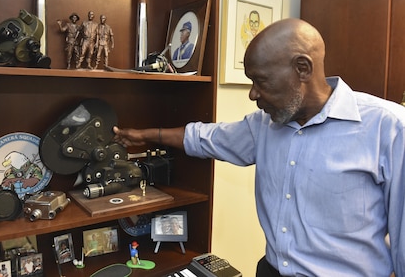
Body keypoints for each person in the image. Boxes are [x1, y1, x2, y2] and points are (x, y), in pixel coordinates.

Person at [113, 18, 405, 276]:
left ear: (302, 68)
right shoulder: (263, 125)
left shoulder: (389, 128)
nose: (253, 94)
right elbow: (204, 138)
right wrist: (145, 135)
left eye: (260, 81)